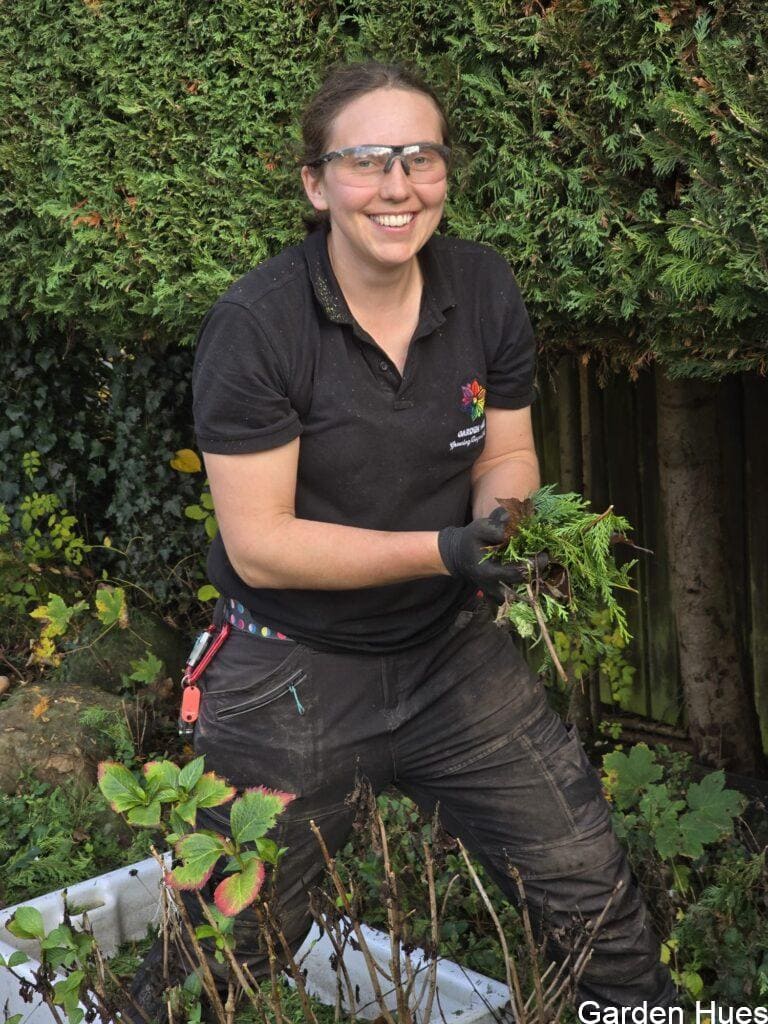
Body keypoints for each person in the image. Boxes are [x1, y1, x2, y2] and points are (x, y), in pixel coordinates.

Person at [132, 61, 677, 1019]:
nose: (398, 185)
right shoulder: (258, 326)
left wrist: (505, 526)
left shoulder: (481, 286)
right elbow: (260, 545)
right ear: (316, 184)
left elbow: (506, 451)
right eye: (368, 160)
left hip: (451, 655)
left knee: (595, 903)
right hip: (290, 674)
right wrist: (446, 549)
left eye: (421, 157)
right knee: (219, 953)